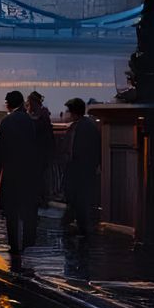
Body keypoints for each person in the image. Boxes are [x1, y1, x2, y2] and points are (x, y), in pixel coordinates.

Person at [0, 90, 40, 259]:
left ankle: (14, 245)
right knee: (27, 209)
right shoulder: (30, 121)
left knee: (11, 211)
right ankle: (28, 243)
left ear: (10, 103)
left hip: (11, 172)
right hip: (28, 171)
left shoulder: (6, 123)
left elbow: (1, 152)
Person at [63, 98, 100, 237]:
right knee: (77, 199)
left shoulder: (83, 127)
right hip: (79, 169)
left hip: (80, 169)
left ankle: (80, 228)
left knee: (78, 199)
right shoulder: (86, 126)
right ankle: (78, 227)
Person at [26, 91, 55, 207]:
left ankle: (41, 198)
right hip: (41, 152)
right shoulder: (43, 115)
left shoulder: (39, 116)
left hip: (39, 152)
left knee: (40, 177)